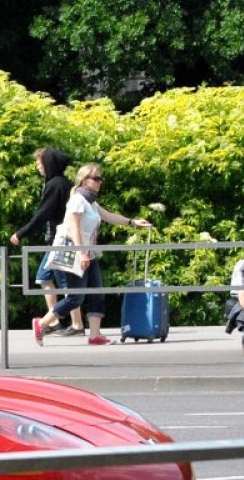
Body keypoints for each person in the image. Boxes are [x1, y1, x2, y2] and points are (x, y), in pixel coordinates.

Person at [32, 163, 152, 346]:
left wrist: (132, 222)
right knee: (75, 298)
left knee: (97, 293)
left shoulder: (90, 201)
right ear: (83, 180)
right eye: (95, 179)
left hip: (88, 252)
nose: (99, 182)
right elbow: (73, 228)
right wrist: (82, 254)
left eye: (100, 179)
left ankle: (95, 335)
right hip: (74, 254)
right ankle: (41, 324)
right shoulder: (77, 200)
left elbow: (109, 216)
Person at [9, 148, 82, 334]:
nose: (38, 166)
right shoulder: (63, 183)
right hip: (61, 239)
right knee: (47, 278)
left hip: (60, 240)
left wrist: (21, 233)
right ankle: (54, 320)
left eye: (40, 163)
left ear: (49, 164)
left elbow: (42, 215)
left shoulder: (55, 185)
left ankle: (75, 324)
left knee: (61, 281)